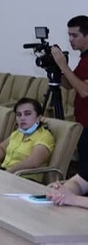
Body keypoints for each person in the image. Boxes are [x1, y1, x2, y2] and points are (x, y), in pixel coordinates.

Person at [0, 98, 55, 182]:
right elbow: (0, 148)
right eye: (19, 115)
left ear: (38, 117)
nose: (22, 118)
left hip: (24, 179)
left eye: (27, 114)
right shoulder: (18, 133)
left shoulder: (44, 136)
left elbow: (33, 162)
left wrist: (8, 172)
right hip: (6, 174)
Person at [51, 15, 88, 166]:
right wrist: (55, 70)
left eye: (75, 35)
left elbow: (84, 91)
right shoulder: (84, 59)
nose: (70, 40)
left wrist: (64, 66)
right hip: (82, 121)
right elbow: (70, 85)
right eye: (69, 35)